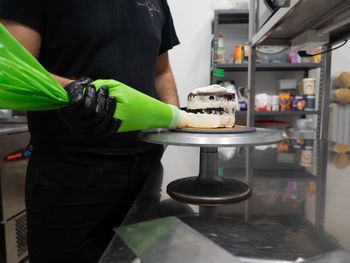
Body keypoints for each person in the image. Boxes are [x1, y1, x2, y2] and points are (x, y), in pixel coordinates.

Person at [0, 0, 180, 262]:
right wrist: (74, 91)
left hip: (146, 169)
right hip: (70, 175)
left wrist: (174, 116)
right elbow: (12, 67)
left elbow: (162, 71)